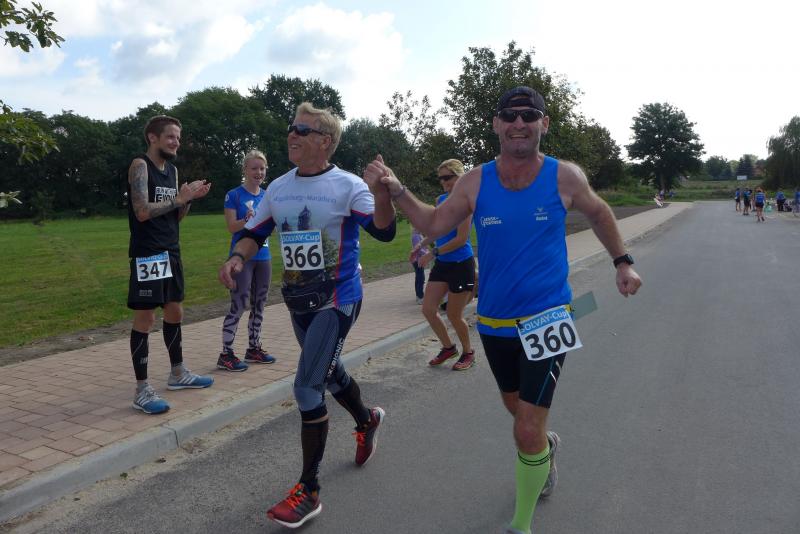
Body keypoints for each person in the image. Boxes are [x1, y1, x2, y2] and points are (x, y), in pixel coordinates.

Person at [363, 86, 643, 534]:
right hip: (494, 321)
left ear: (543, 123)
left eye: (528, 115)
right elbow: (434, 223)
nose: (518, 123)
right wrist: (397, 191)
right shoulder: (476, 181)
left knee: (526, 428)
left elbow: (599, 212)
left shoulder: (564, 176)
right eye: (509, 115)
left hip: (548, 317)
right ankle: (544, 448)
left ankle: (521, 524)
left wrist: (622, 262)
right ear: (496, 124)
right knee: (517, 411)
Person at [218, 103, 396, 529]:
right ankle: (367, 419)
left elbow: (384, 230)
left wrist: (383, 193)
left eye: (302, 129)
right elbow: (253, 232)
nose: (292, 135)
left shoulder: (348, 186)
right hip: (299, 301)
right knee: (330, 375)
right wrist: (238, 258)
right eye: (291, 128)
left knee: (306, 387)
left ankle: (309, 491)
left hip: (337, 299)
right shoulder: (279, 188)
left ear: (325, 141)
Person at [127, 115, 214, 415]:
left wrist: (188, 200)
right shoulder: (140, 165)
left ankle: (178, 373)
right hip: (148, 252)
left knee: (175, 311)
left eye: (178, 137)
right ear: (153, 138)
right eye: (170, 137)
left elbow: (176, 216)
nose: (176, 142)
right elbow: (141, 211)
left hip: (171, 251)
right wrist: (178, 199)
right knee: (146, 317)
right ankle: (141, 390)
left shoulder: (173, 171)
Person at [411, 159, 476, 371]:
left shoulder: (466, 202)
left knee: (454, 315)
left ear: (460, 177)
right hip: (443, 264)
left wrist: (432, 253)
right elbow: (437, 230)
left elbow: (461, 239)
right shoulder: (440, 199)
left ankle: (468, 352)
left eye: (447, 177)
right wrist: (421, 244)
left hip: (461, 263)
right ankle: (448, 348)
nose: (443, 182)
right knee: (428, 309)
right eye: (440, 178)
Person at [217, 150, 276, 372]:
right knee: (239, 303)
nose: (258, 172)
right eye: (254, 168)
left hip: (264, 256)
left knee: (260, 303)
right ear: (245, 170)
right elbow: (231, 227)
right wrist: (247, 220)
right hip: (241, 258)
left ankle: (253, 348)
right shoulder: (234, 195)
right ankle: (226, 353)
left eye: (262, 168)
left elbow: (273, 225)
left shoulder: (268, 195)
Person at [409, 225, 428, 304]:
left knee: (419, 277)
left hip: (418, 259)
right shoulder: (416, 236)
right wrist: (427, 253)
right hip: (417, 260)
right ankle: (420, 297)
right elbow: (418, 249)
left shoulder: (418, 235)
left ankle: (418, 295)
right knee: (420, 278)